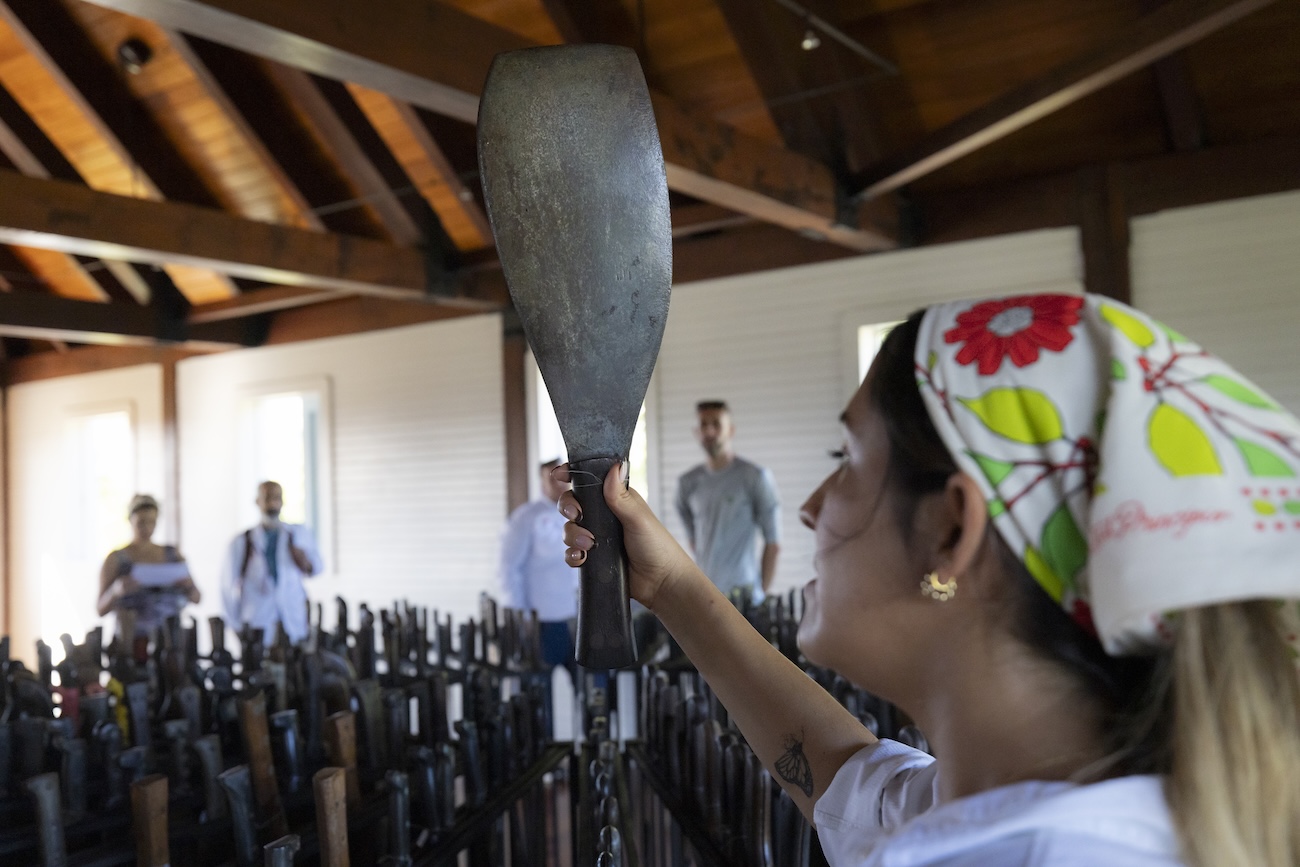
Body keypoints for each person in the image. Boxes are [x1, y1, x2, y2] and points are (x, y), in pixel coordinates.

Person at [561, 294, 1300, 867]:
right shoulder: (1061, 809)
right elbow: (845, 775)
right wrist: (673, 587)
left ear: (951, 530)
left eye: (847, 459)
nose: (813, 506)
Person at [675, 400, 781, 602]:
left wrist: (761, 595)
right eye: (704, 425)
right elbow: (694, 541)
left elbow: (773, 543)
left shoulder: (755, 477)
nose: (709, 431)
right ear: (696, 432)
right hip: (705, 596)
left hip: (744, 597)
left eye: (716, 424)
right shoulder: (686, 484)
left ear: (730, 430)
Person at [220, 481, 323, 644]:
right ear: (257, 501)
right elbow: (226, 586)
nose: (272, 503)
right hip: (257, 620)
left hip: (293, 619)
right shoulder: (242, 542)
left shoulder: (298, 534)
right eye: (267, 498)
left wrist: (302, 560)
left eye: (277, 498)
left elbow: (317, 567)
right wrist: (235, 625)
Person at [499, 459, 577, 667]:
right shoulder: (525, 518)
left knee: (587, 680)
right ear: (542, 481)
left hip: (576, 615)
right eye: (552, 479)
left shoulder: (577, 516)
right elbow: (508, 569)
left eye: (563, 478)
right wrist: (520, 615)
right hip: (543, 618)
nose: (559, 484)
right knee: (542, 680)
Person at [97, 494, 200, 637]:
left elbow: (197, 598)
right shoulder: (116, 559)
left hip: (171, 637)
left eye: (152, 522)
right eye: (141, 522)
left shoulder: (173, 555)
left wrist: (188, 586)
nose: (147, 528)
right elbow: (100, 609)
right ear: (130, 520)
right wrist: (115, 591)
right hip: (131, 638)